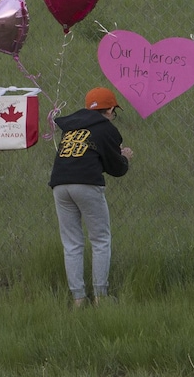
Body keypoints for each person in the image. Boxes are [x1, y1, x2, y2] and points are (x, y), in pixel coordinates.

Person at [48, 86, 134, 308]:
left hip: (60, 184)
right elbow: (116, 169)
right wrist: (124, 157)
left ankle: (78, 299)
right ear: (109, 110)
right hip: (86, 183)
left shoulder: (71, 127)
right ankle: (100, 296)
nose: (113, 116)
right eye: (114, 112)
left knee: (72, 242)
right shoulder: (106, 129)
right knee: (100, 239)